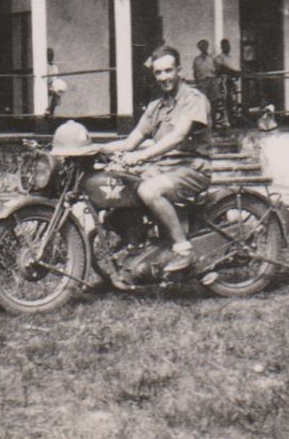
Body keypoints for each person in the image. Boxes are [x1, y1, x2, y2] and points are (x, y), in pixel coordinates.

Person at [101, 45, 211, 273]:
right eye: (158, 73)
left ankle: (183, 249)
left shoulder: (193, 99)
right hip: (163, 169)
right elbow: (130, 141)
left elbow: (178, 136)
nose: (164, 77)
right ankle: (138, 247)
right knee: (119, 190)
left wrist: (141, 156)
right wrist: (94, 149)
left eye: (168, 71)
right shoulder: (156, 107)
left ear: (179, 70)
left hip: (191, 168)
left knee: (149, 191)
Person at [213, 37, 240, 128]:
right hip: (223, 82)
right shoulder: (218, 58)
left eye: (228, 46)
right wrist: (233, 72)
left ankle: (232, 120)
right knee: (223, 101)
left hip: (231, 81)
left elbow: (234, 69)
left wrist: (236, 74)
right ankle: (223, 121)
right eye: (224, 46)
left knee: (232, 101)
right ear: (221, 47)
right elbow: (223, 69)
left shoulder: (231, 58)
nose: (227, 48)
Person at [192, 38, 217, 110]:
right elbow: (195, 72)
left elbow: (217, 69)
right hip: (202, 81)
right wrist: (198, 82)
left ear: (207, 46)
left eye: (204, 46)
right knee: (202, 101)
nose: (203, 48)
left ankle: (213, 119)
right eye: (201, 46)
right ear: (199, 48)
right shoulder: (196, 59)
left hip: (212, 80)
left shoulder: (212, 57)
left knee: (213, 102)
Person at [45, 47, 67, 118]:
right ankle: (49, 110)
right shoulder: (44, 66)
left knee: (57, 91)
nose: (51, 57)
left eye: (52, 55)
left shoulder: (54, 66)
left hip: (53, 84)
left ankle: (52, 110)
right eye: (49, 55)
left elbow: (56, 77)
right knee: (54, 91)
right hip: (47, 85)